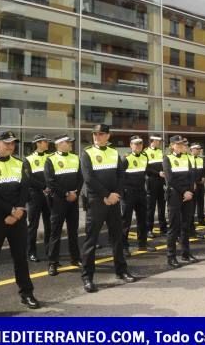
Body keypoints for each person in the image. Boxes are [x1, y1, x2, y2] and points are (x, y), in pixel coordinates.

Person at [0, 131, 39, 317]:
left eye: (13, 144)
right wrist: (10, 211)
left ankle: (27, 294)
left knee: (21, 259)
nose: (10, 147)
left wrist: (17, 211)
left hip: (17, 219)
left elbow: (25, 190)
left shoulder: (19, 164)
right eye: (7, 143)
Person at [80, 124, 135, 293]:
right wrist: (106, 195)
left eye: (101, 134)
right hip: (97, 201)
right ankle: (88, 277)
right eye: (95, 134)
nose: (97, 136)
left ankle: (121, 270)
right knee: (91, 240)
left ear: (108, 136)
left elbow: (120, 175)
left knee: (117, 238)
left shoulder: (114, 153)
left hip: (113, 200)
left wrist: (116, 194)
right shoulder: (86, 152)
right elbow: (88, 178)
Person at [45, 135, 83, 276]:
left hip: (73, 200)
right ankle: (53, 262)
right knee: (56, 233)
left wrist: (75, 193)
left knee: (73, 231)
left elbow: (80, 177)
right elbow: (50, 182)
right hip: (59, 201)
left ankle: (75, 258)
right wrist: (67, 193)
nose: (70, 144)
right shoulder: (51, 159)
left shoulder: (75, 157)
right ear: (59, 144)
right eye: (68, 142)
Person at [163, 135, 197, 267]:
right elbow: (170, 179)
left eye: (182, 144)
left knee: (186, 225)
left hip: (187, 195)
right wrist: (185, 192)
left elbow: (191, 177)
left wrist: (190, 191)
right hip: (175, 195)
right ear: (172, 146)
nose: (181, 146)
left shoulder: (187, 158)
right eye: (178, 144)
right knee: (173, 227)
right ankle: (171, 256)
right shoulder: (167, 159)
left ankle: (185, 253)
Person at [121, 135, 155, 256]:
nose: (138, 146)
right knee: (126, 221)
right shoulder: (126, 158)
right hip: (128, 193)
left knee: (142, 219)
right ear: (131, 145)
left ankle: (143, 244)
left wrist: (160, 173)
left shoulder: (144, 157)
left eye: (140, 143)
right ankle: (124, 246)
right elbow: (119, 176)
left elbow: (148, 170)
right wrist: (122, 192)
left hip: (141, 192)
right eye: (135, 144)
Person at [22, 134, 52, 262]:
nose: (47, 143)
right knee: (33, 226)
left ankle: (49, 250)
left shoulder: (50, 157)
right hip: (34, 196)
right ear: (38, 143)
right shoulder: (28, 159)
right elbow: (28, 178)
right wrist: (43, 187)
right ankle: (31, 252)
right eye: (45, 142)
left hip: (49, 195)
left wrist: (48, 187)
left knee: (49, 224)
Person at [144, 135, 167, 238]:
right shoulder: (145, 152)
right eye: (157, 141)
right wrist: (158, 173)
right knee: (151, 208)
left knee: (162, 206)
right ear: (152, 141)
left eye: (159, 141)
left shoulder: (160, 151)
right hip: (151, 182)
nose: (159, 143)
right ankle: (149, 229)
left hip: (162, 182)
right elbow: (146, 168)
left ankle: (163, 228)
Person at [189, 143, 205, 235]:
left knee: (201, 203)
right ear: (191, 150)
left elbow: (204, 170)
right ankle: (191, 223)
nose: (199, 150)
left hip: (200, 185)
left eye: (199, 149)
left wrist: (204, 177)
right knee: (192, 206)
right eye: (197, 149)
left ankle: (201, 220)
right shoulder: (187, 159)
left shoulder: (201, 159)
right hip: (192, 185)